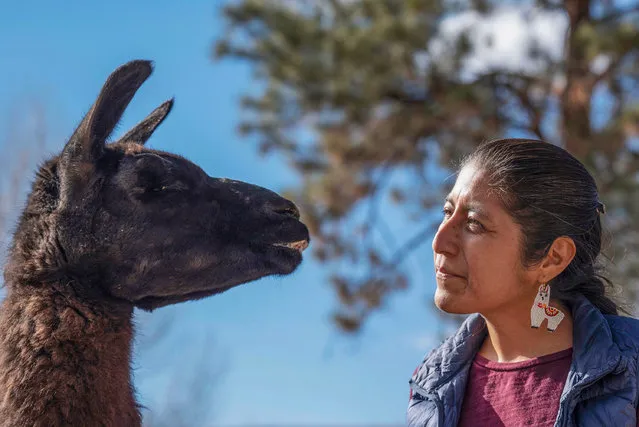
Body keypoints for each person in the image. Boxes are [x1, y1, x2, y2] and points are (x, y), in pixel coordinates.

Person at [407, 138, 639, 426]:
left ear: (552, 258)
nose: (440, 242)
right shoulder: (431, 385)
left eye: (474, 224)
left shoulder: (631, 371)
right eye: (447, 212)